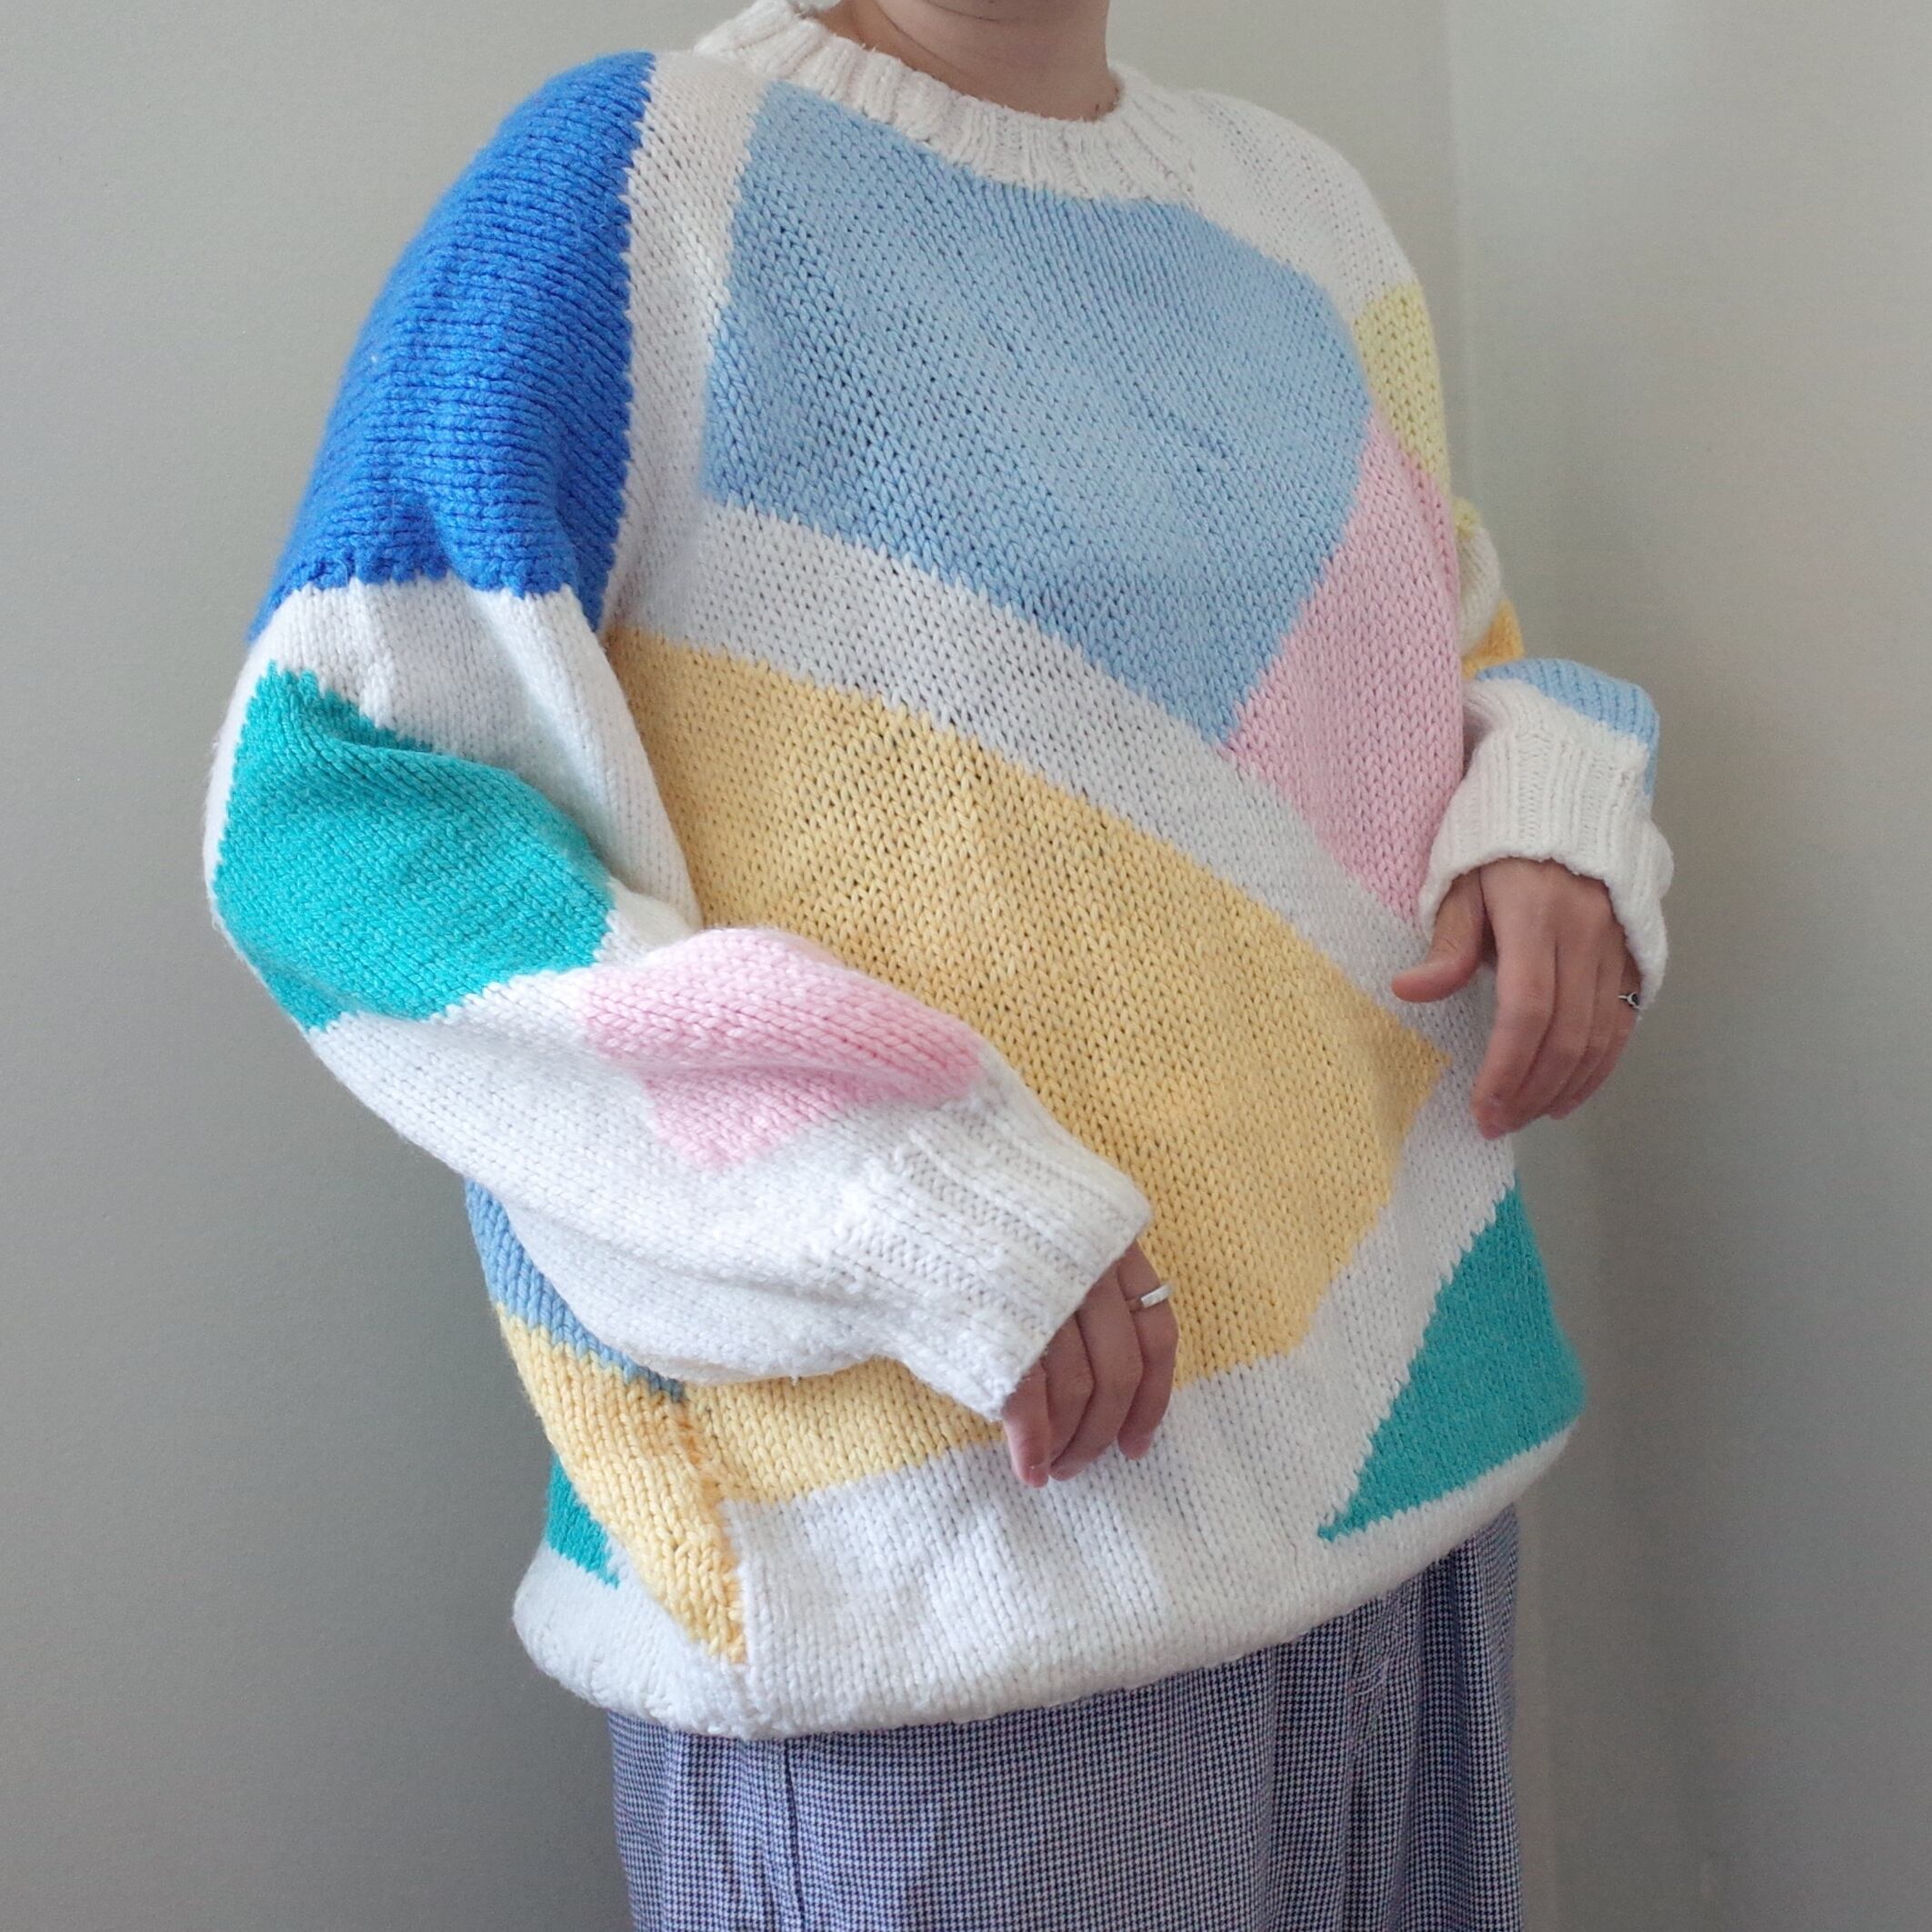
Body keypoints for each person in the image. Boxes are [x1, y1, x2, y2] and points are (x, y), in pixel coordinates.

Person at [201, 0, 1674, 1922]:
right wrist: (896, 1193)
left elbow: (1430, 654)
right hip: (941, 1577)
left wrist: (1546, 798)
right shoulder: (633, 181)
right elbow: (328, 804)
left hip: (1405, 1476)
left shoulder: (1302, 211)